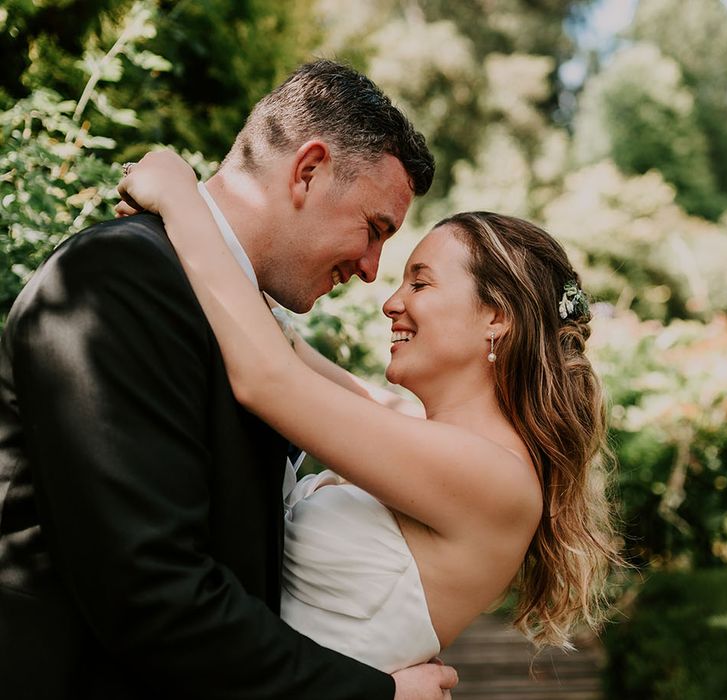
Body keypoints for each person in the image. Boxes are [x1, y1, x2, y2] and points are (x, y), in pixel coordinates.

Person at [0, 61, 459, 699]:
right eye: (374, 229)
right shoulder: (117, 280)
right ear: (308, 169)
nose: (370, 270)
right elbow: (151, 593)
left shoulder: (245, 327)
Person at [114, 150, 622, 674]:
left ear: (496, 317)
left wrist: (180, 194)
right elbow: (280, 347)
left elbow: (269, 379)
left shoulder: (498, 478)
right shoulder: (416, 431)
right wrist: (194, 230)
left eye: (420, 283)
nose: (390, 302)